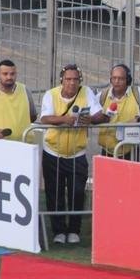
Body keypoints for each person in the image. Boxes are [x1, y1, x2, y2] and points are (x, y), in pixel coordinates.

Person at [38, 63, 102, 246]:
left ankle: (74, 230)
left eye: (75, 79)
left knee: (77, 192)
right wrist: (63, 120)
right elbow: (44, 118)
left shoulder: (87, 92)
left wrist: (89, 119)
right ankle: (58, 231)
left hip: (77, 152)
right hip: (53, 152)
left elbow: (99, 114)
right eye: (68, 79)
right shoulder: (51, 95)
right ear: (62, 80)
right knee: (54, 192)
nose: (72, 83)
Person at [98, 63, 140, 161]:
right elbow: (92, 114)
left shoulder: (139, 94)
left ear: (128, 80)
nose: (116, 81)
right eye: (114, 78)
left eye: (121, 78)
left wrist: (139, 119)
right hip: (108, 150)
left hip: (133, 150)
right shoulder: (102, 95)